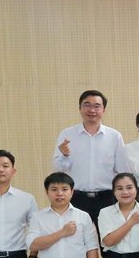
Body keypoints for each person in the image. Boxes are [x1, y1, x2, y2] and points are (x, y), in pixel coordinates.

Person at [51, 90, 129, 232]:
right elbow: (59, 169)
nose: (92, 110)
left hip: (107, 198)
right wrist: (64, 155)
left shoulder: (114, 136)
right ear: (80, 108)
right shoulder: (67, 134)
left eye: (97, 106)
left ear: (104, 110)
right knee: (76, 239)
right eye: (87, 105)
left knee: (108, 239)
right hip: (76, 198)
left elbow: (122, 171)